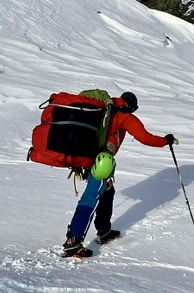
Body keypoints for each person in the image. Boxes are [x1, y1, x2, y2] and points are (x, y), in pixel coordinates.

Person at [62, 91, 177, 258]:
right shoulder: (124, 115)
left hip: (88, 159)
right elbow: (146, 138)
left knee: (108, 191)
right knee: (90, 197)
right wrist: (166, 140)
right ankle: (74, 242)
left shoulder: (105, 108)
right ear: (131, 106)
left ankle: (104, 230)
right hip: (101, 162)